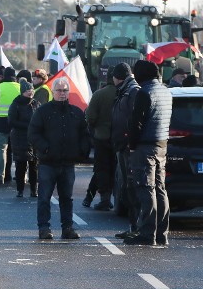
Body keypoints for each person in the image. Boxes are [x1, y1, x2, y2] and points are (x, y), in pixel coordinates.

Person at [28, 77, 90, 240]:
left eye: (65, 90)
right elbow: (33, 133)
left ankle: (67, 228)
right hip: (48, 163)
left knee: (67, 198)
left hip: (68, 163)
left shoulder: (76, 112)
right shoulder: (43, 112)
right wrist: (45, 148)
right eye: (59, 90)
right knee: (44, 198)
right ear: (53, 92)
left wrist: (82, 151)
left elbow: (84, 134)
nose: (62, 93)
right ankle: (44, 228)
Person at [124, 60, 172, 246]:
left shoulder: (144, 93)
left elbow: (137, 123)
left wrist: (132, 144)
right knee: (160, 189)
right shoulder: (165, 91)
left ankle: (147, 233)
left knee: (146, 188)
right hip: (162, 144)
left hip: (145, 146)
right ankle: (162, 233)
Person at [110, 62, 142, 239]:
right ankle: (133, 226)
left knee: (133, 187)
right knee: (128, 187)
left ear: (117, 77)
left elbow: (134, 120)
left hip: (128, 148)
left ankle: (136, 227)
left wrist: (129, 141)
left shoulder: (132, 91)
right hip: (124, 146)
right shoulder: (126, 90)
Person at [83, 67, 117, 210]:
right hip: (120, 139)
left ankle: (99, 198)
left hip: (101, 137)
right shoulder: (127, 94)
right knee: (114, 169)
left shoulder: (99, 94)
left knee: (101, 169)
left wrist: (94, 128)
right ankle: (92, 198)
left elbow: (90, 117)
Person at [8, 78, 41, 198]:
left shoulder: (36, 103)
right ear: (22, 91)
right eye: (28, 90)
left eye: (32, 89)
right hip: (19, 138)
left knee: (34, 167)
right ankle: (20, 190)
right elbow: (11, 121)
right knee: (21, 166)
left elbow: (41, 118)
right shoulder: (15, 104)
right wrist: (29, 126)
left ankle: (34, 190)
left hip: (34, 139)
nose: (30, 92)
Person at [0, 67, 19, 184]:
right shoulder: (20, 87)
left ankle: (0, 176)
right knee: (15, 151)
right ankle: (18, 176)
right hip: (17, 123)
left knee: (1, 149)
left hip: (1, 122)